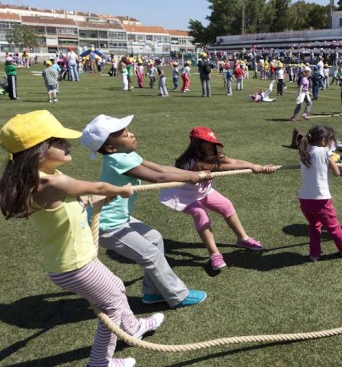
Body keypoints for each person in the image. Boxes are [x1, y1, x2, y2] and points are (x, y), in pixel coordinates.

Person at [0, 110, 163, 367]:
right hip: (76, 264)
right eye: (58, 141)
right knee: (111, 307)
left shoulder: (39, 181)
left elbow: (74, 201)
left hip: (69, 262)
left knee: (117, 289)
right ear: (38, 151)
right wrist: (120, 189)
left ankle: (132, 327)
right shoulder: (49, 183)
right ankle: (100, 361)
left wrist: (88, 200)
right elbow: (97, 187)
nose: (67, 144)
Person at [80, 114, 208, 309]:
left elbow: (160, 168)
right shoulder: (116, 160)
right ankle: (177, 296)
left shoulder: (127, 155)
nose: (131, 135)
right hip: (108, 225)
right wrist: (191, 176)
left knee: (155, 238)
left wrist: (193, 174)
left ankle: (152, 293)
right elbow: (160, 178)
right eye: (125, 135)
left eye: (129, 131)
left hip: (121, 219)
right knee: (151, 255)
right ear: (111, 148)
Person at [160, 127, 274, 270]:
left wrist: (255, 166)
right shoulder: (191, 161)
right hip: (183, 195)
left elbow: (233, 161)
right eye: (206, 143)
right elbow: (222, 167)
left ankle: (242, 238)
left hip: (202, 191)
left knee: (226, 205)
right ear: (197, 144)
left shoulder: (213, 154)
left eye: (212, 143)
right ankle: (214, 254)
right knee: (201, 214)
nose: (210, 146)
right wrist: (252, 167)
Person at [298, 125, 342, 261]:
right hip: (320, 199)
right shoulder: (324, 151)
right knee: (333, 226)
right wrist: (331, 161)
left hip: (304, 199)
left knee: (314, 225)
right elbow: (337, 173)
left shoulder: (305, 151)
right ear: (323, 141)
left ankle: (314, 254)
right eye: (330, 141)